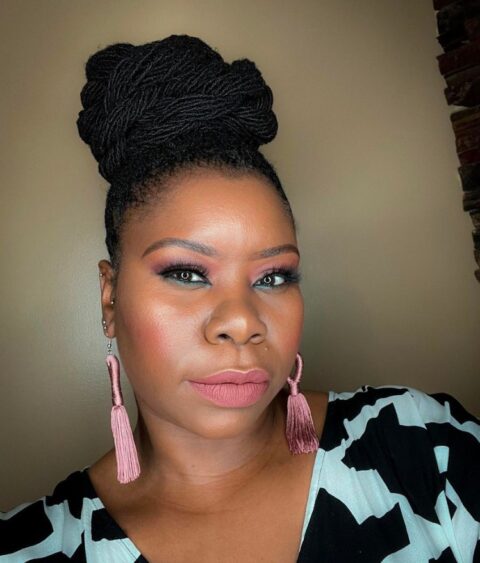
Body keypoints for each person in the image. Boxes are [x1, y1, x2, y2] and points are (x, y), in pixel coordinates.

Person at [0, 34, 479, 563]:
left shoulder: (423, 448)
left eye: (273, 277)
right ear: (110, 298)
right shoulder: (32, 550)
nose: (242, 321)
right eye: (187, 273)